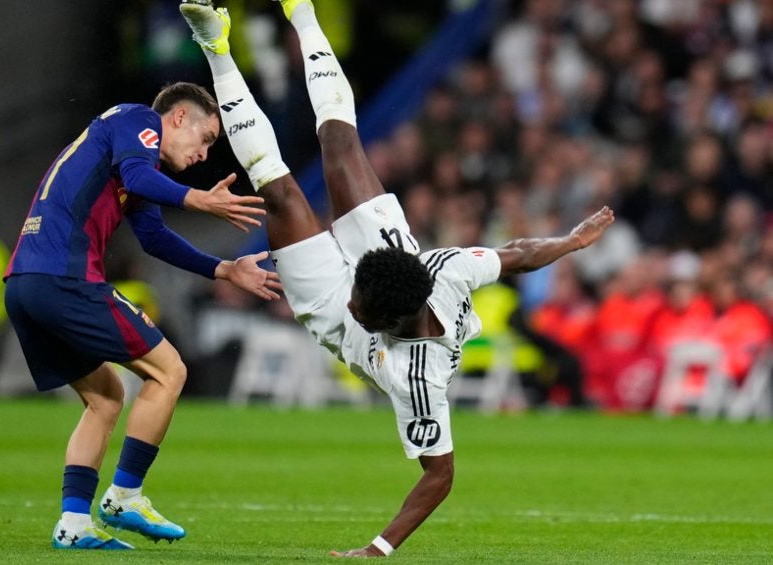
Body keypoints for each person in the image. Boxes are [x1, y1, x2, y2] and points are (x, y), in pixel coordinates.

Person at [180, 0, 614, 557]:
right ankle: (303, 12)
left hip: (328, 311)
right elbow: (519, 254)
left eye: (363, 304)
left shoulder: (417, 382)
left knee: (279, 189)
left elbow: (440, 476)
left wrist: (377, 549)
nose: (357, 300)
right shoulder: (444, 269)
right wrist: (571, 241)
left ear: (382, 321)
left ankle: (215, 47)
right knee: (341, 143)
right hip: (387, 255)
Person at [3, 81, 282, 551]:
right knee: (170, 371)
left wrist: (224, 269)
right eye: (206, 138)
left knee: (106, 397)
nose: (204, 154)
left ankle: (74, 523)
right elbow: (136, 178)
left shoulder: (131, 157)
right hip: (65, 278)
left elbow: (153, 237)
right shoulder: (137, 120)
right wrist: (199, 199)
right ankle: (125, 496)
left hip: (25, 285)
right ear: (178, 118)